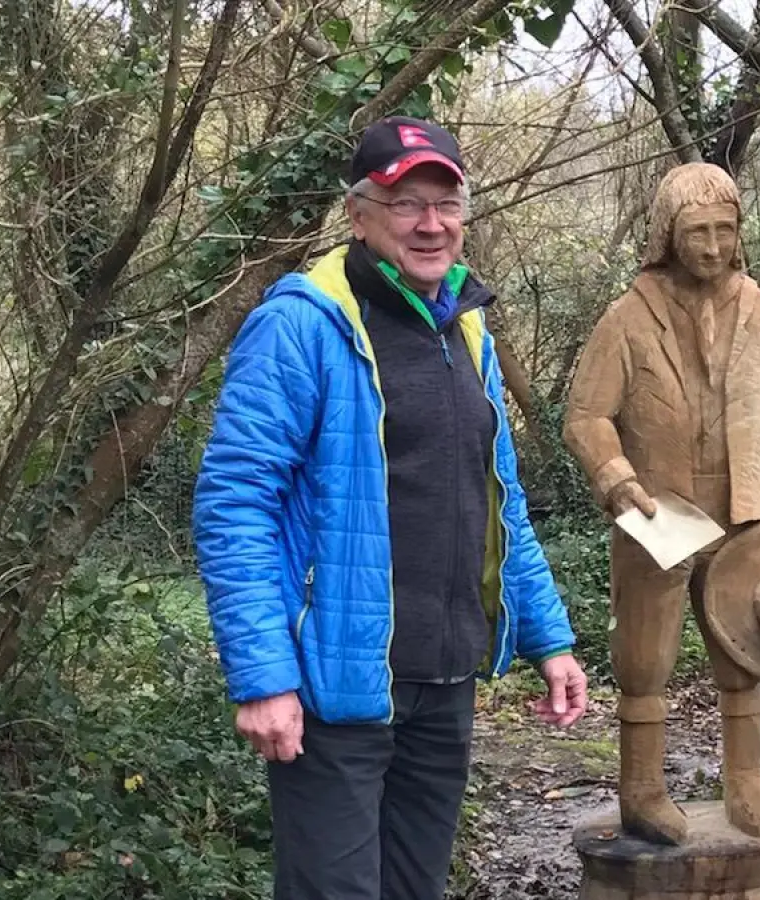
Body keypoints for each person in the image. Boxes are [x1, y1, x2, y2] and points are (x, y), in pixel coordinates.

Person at [192, 116, 588, 900]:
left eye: (447, 202)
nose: (431, 223)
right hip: (336, 687)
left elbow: (500, 503)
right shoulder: (301, 325)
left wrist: (551, 639)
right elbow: (234, 502)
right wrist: (263, 676)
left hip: (445, 681)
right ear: (360, 213)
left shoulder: (467, 330)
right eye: (407, 202)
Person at [562, 161, 760, 845]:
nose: (711, 247)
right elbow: (586, 416)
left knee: (745, 647)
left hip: (743, 513)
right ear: (666, 235)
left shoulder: (759, 309)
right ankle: (642, 791)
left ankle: (746, 782)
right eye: (697, 232)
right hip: (660, 513)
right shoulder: (628, 317)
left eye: (723, 231)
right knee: (646, 657)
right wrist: (617, 478)